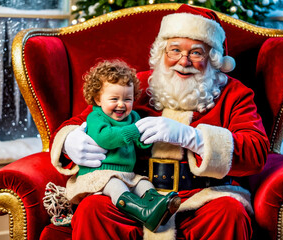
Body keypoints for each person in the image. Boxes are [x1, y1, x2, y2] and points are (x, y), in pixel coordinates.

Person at [50, 4, 269, 240]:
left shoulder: (234, 94)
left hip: (202, 198)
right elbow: (79, 122)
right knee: (93, 210)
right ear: (162, 52)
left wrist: (193, 138)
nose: (183, 61)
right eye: (174, 50)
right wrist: (69, 140)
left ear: (214, 60)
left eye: (196, 53)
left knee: (230, 213)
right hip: (133, 195)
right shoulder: (135, 86)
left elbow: (256, 152)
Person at [65, 59, 181, 232]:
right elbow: (106, 138)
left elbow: (138, 144)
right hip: (100, 175)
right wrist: (134, 131)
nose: (121, 104)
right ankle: (143, 212)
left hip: (126, 173)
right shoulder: (96, 118)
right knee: (115, 186)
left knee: (144, 184)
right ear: (98, 99)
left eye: (128, 98)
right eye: (114, 99)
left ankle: (159, 206)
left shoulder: (133, 117)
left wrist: (144, 140)